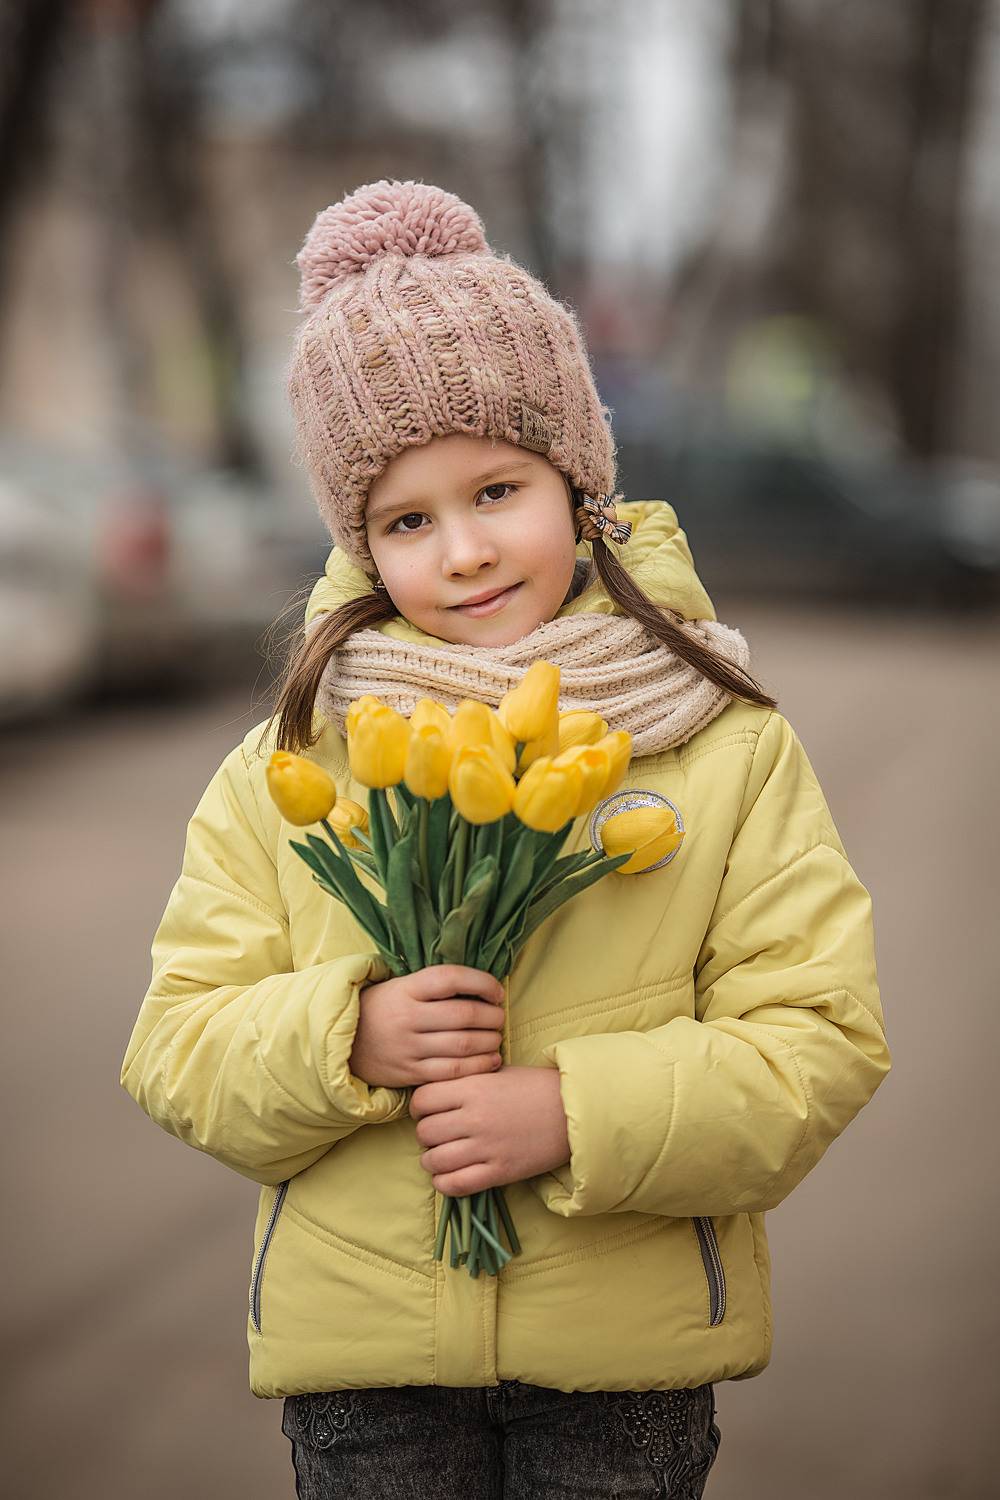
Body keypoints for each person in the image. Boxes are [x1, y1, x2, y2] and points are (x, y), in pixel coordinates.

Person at [119, 179, 891, 1500]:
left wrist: (572, 1113)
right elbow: (175, 1043)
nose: (465, 551)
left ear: (580, 487)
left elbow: (819, 1043)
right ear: (360, 548)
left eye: (497, 489)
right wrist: (342, 1036)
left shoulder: (723, 743)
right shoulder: (294, 759)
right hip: (364, 1377)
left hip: (623, 1367)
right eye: (408, 521)